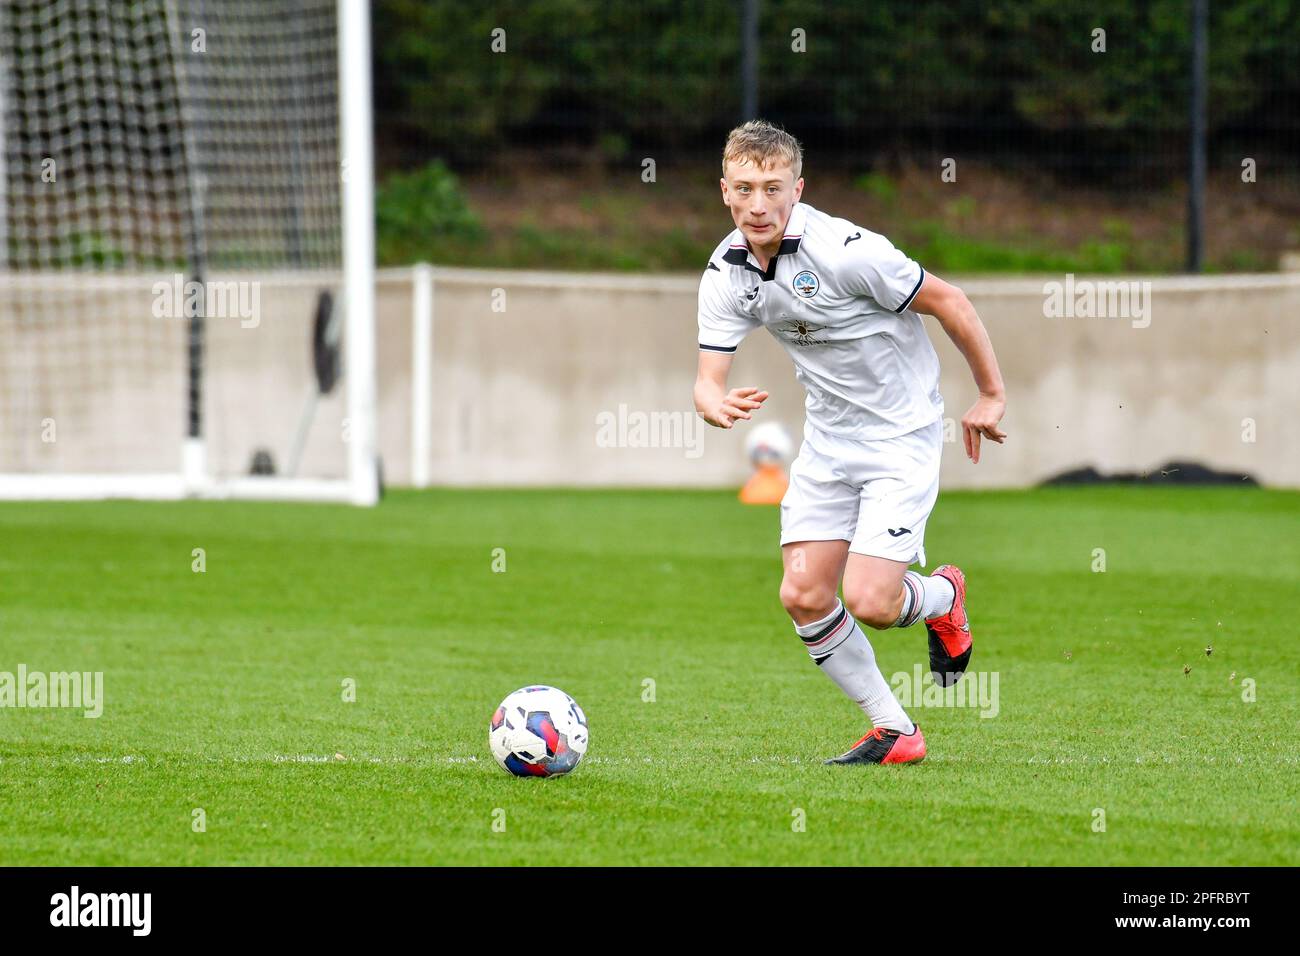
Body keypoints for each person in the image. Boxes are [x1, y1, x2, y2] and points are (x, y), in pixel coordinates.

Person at [693, 120, 1007, 764]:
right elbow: (706, 378)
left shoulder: (848, 251)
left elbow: (950, 302)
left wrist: (990, 394)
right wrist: (712, 402)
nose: (759, 204)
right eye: (745, 188)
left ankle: (945, 596)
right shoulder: (726, 271)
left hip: (901, 437)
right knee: (803, 593)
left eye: (773, 188)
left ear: (797, 189)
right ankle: (896, 731)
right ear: (724, 190)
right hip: (829, 443)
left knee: (872, 602)